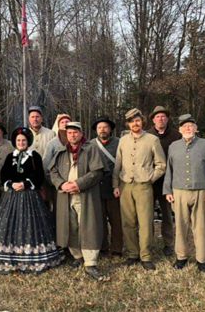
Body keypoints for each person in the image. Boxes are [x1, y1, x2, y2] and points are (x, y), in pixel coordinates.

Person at [0, 127, 64, 273]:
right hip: (11, 196)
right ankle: (9, 256)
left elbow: (38, 176)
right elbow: (4, 175)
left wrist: (25, 183)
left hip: (29, 196)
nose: (21, 142)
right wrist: (10, 183)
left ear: (28, 142)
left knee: (30, 224)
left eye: (23, 140)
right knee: (7, 224)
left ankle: (32, 257)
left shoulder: (34, 156)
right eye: (18, 140)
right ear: (15, 142)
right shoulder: (10, 157)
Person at [49, 122, 107, 280]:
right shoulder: (61, 151)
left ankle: (90, 263)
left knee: (88, 227)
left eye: (75, 132)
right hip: (65, 195)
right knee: (71, 225)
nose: (72, 135)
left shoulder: (91, 149)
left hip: (85, 195)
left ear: (81, 133)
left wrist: (78, 184)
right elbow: (53, 171)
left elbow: (97, 172)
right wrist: (61, 184)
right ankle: (77, 256)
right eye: (69, 133)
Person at [163, 114, 205, 272]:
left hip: (201, 191)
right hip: (179, 191)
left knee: (200, 226)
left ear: (196, 128)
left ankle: (202, 259)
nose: (188, 128)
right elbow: (169, 170)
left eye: (190, 126)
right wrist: (167, 190)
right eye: (184, 126)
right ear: (180, 129)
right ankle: (181, 257)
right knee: (180, 225)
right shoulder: (173, 146)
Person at [112, 108, 166, 270]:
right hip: (125, 185)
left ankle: (146, 256)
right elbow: (118, 164)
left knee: (145, 221)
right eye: (131, 121)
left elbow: (161, 164)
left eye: (137, 120)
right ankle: (132, 254)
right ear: (128, 124)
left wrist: (151, 177)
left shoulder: (152, 140)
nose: (135, 124)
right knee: (128, 222)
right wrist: (115, 185)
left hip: (144, 186)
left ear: (142, 121)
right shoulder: (123, 140)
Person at [146, 106, 181, 257]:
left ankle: (168, 243)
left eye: (163, 116)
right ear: (153, 119)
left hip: (168, 181)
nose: (160, 119)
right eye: (157, 117)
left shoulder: (176, 136)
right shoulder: (146, 135)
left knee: (167, 214)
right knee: (147, 214)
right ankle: (149, 243)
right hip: (150, 181)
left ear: (167, 119)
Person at [91, 116, 123, 256]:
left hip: (114, 186)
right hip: (97, 188)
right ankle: (103, 247)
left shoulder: (120, 143)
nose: (102, 130)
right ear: (96, 130)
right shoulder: (91, 144)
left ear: (110, 129)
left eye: (105, 127)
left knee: (117, 221)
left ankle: (117, 248)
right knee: (100, 220)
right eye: (99, 127)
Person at [42, 113, 72, 212]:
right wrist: (54, 182)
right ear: (58, 125)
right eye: (62, 122)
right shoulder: (52, 143)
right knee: (59, 211)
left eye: (67, 122)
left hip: (73, 183)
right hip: (57, 184)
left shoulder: (76, 140)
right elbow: (46, 165)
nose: (64, 124)